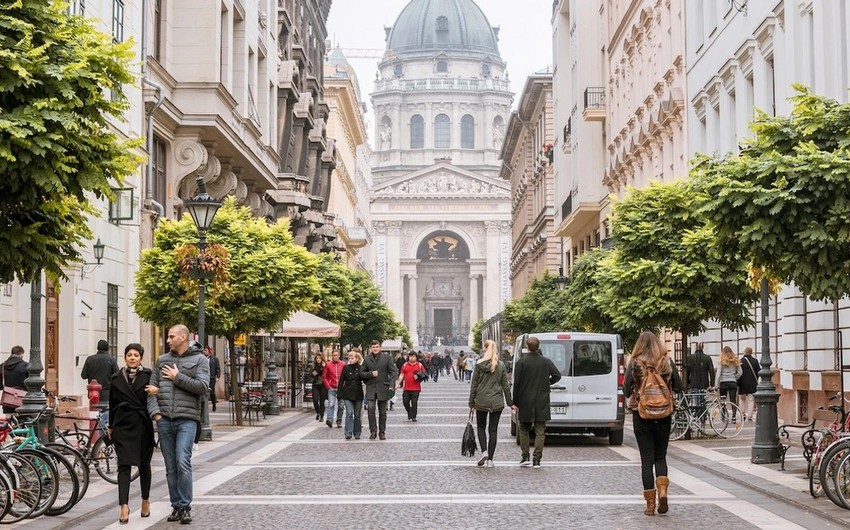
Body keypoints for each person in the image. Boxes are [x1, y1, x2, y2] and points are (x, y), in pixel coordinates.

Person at [148, 324, 210, 525]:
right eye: (168, 336)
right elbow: (151, 389)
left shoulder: (200, 360)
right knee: (170, 466)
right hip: (165, 420)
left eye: (171, 336)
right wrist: (156, 415)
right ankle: (176, 506)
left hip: (187, 420)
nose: (168, 340)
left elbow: (202, 387)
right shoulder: (162, 360)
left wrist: (177, 377)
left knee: (183, 460)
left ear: (183, 337)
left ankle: (185, 506)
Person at [623, 331, 683, 516]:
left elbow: (626, 391)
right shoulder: (666, 361)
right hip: (664, 415)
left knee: (646, 460)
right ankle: (663, 491)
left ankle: (650, 505)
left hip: (641, 415)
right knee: (660, 456)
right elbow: (680, 387)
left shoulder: (635, 363)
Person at [108, 343, 156, 524]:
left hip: (142, 424)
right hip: (122, 425)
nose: (133, 357)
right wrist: (111, 426)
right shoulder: (116, 378)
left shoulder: (149, 376)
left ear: (141, 358)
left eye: (136, 355)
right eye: (129, 354)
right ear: (125, 357)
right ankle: (124, 506)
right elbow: (112, 404)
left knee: (144, 465)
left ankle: (145, 500)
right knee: (123, 466)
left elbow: (154, 399)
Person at [511, 337, 561, 468]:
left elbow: (517, 384)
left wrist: (514, 402)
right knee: (540, 431)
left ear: (527, 347)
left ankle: (525, 456)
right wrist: (547, 383)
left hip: (525, 400)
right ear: (538, 347)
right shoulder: (546, 361)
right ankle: (537, 459)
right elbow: (557, 375)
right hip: (542, 400)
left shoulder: (521, 362)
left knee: (523, 429)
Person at [468, 340, 512, 468]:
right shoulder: (501, 365)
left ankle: (484, 451)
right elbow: (505, 386)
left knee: (481, 427)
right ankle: (490, 460)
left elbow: (474, 385)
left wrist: (471, 402)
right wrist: (510, 402)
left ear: (484, 350)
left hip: (481, 400)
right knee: (493, 430)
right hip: (496, 401)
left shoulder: (479, 364)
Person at [360, 340, 398, 440]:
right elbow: (362, 373)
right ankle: (373, 431)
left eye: (377, 347)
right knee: (370, 409)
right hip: (371, 388)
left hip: (383, 388)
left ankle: (382, 431)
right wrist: (370, 374)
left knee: (382, 412)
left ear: (380, 347)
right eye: (373, 347)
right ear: (370, 348)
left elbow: (393, 371)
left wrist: (392, 384)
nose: (375, 349)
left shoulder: (387, 358)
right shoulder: (367, 359)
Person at [81, 339, 118, 405]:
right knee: (105, 412)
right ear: (107, 348)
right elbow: (117, 375)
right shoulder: (111, 359)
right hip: (107, 392)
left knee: (93, 412)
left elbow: (83, 376)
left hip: (92, 392)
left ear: (97, 348)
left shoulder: (90, 359)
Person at [338, 349, 364, 440]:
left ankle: (357, 432)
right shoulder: (346, 368)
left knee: (357, 415)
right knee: (349, 413)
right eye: (349, 358)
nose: (350, 359)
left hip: (358, 394)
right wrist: (339, 394)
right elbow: (341, 381)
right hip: (347, 394)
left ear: (357, 358)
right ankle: (348, 432)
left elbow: (365, 379)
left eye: (352, 358)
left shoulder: (361, 368)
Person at [684, 342, 714, 411]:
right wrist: (712, 384)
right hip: (704, 383)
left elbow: (687, 371)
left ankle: (699, 414)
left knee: (697, 400)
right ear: (703, 347)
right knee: (703, 400)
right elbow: (711, 371)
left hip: (694, 383)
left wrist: (687, 382)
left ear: (695, 347)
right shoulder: (707, 358)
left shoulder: (691, 358)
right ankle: (703, 414)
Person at [716, 346, 743, 422]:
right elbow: (740, 372)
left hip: (723, 383)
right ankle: (733, 417)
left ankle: (723, 416)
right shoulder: (735, 360)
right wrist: (734, 378)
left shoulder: (721, 361)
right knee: (733, 400)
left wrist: (716, 385)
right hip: (732, 383)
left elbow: (718, 373)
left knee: (723, 400)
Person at [397, 351, 425, 421]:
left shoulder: (420, 365)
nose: (412, 358)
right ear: (408, 357)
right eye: (410, 356)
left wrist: (418, 377)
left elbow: (424, 374)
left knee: (414, 403)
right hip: (406, 388)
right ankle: (409, 412)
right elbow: (402, 374)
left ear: (416, 357)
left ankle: (414, 416)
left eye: (413, 356)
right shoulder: (405, 365)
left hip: (416, 388)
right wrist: (398, 383)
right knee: (405, 402)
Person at [2, 346, 28, 414]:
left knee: (9, 422)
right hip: (22, 402)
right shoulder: (25, 366)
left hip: (7, 403)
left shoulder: (2, 366)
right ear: (21, 354)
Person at [323, 349, 345, 428]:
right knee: (331, 404)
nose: (335, 357)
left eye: (336, 355)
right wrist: (328, 386)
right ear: (332, 356)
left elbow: (345, 376)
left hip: (341, 388)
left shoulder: (343, 364)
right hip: (332, 387)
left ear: (339, 355)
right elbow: (324, 377)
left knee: (341, 405)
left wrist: (344, 385)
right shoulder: (328, 365)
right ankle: (329, 419)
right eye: (334, 355)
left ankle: (339, 420)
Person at [738, 346, 760, 422]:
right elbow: (759, 372)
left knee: (742, 399)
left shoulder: (740, 361)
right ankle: (749, 416)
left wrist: (738, 383)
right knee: (751, 400)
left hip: (742, 384)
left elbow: (738, 373)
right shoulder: (755, 361)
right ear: (751, 352)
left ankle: (742, 413)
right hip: (752, 384)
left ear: (744, 352)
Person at [204, 347, 221, 412]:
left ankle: (214, 405)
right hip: (205, 377)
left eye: (205, 350)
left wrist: (218, 376)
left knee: (212, 392)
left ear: (209, 351)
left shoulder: (215, 359)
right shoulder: (202, 358)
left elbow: (218, 368)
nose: (204, 351)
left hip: (212, 377)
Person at [310, 353, 326, 422]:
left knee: (322, 401)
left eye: (319, 358)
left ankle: (322, 416)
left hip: (323, 385)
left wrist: (323, 368)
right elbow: (311, 374)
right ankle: (318, 412)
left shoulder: (325, 366)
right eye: (317, 358)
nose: (318, 360)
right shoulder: (314, 366)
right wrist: (319, 370)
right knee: (315, 399)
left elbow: (325, 373)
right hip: (315, 384)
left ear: (322, 359)